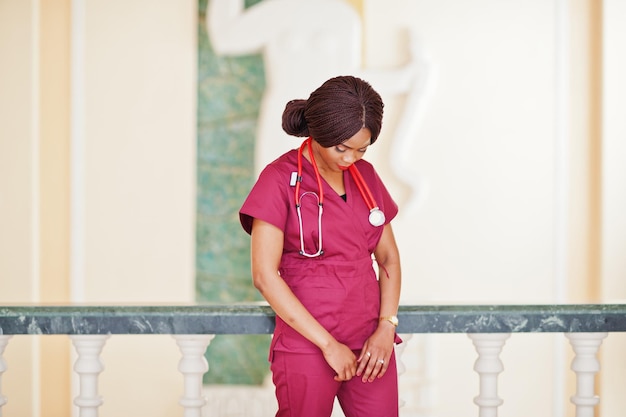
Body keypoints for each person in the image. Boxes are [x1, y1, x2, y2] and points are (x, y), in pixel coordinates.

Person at [239, 75, 402, 417]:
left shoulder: (367, 177)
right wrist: (328, 345)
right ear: (316, 134)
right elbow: (264, 276)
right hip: (307, 343)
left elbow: (387, 257)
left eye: (361, 149)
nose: (349, 159)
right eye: (340, 148)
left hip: (370, 340)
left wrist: (386, 325)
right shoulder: (280, 179)